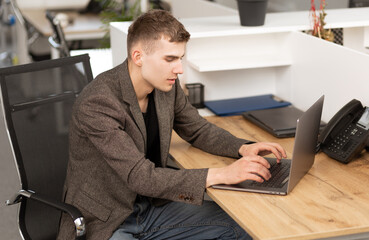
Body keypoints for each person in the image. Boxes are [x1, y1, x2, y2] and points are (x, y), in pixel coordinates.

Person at [57, 9, 286, 240]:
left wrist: (242, 148)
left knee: (245, 228)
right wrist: (223, 174)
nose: (179, 69)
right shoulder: (98, 102)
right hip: (109, 219)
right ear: (138, 57)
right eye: (170, 59)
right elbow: (141, 177)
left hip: (153, 207)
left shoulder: (166, 86)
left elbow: (197, 128)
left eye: (180, 58)